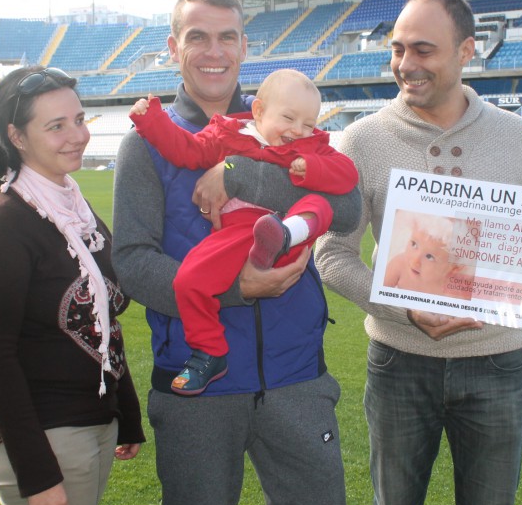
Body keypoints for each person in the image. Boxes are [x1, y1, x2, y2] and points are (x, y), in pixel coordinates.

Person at [315, 0, 522, 505]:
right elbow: (331, 252)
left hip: (497, 362)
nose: (405, 65)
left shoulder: (515, 136)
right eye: (397, 49)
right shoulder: (361, 139)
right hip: (399, 362)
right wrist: (403, 308)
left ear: (467, 50)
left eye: (423, 49)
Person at [112, 0, 360, 505]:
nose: (214, 51)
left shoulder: (289, 122)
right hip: (199, 388)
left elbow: (345, 207)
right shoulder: (147, 144)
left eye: (227, 37)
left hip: (296, 377)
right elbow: (131, 261)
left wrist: (237, 173)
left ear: (245, 46)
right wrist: (237, 288)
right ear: (174, 48)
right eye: (197, 37)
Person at [0, 65, 145, 505]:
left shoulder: (73, 209)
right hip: (45, 437)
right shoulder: (2, 225)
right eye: (56, 126)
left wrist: (124, 412)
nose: (78, 136)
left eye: (80, 120)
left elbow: (101, 318)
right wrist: (38, 475)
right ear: (16, 136)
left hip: (91, 423)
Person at [128, 68, 358, 395]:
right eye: (289, 118)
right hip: (236, 236)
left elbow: (346, 177)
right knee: (187, 281)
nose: (298, 131)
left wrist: (314, 169)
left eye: (308, 124)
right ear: (260, 111)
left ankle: (285, 233)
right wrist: (152, 121)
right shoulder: (227, 135)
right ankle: (209, 352)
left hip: (292, 236)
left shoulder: (313, 147)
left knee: (318, 205)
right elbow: (186, 150)